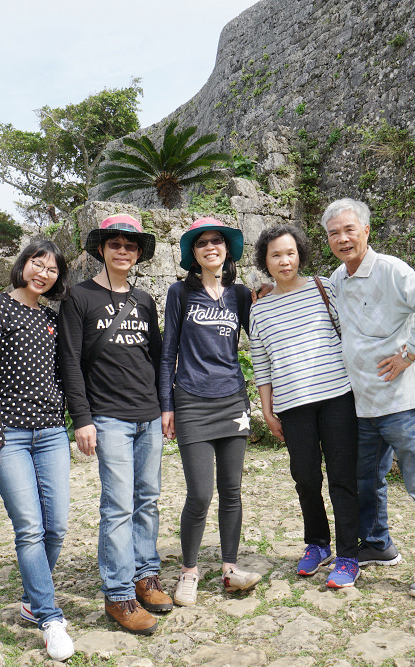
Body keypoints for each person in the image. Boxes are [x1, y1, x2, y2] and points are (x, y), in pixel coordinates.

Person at [321, 197, 415, 600]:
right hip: (362, 404)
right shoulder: (337, 279)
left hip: (403, 402)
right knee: (367, 482)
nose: (342, 239)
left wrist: (410, 352)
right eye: (334, 233)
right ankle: (378, 543)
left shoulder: (391, 269)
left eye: (349, 230)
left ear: (366, 230)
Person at [57, 214, 170, 635]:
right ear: (102, 250)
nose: (123, 251)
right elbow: (68, 361)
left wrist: (165, 407)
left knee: (148, 500)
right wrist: (82, 419)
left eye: (131, 245)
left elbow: (156, 357)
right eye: (115, 244)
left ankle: (146, 577)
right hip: (108, 417)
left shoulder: (144, 300)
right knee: (118, 506)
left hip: (148, 416)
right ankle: (119, 594)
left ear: (138, 253)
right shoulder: (79, 298)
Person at [0, 239, 75, 661]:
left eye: (52, 269)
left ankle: (33, 598)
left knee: (58, 527)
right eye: (38, 263)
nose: (44, 273)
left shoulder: (52, 318)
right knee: (30, 527)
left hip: (52, 433)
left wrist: (72, 418)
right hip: (10, 436)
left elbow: (64, 371)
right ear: (23, 265)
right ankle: (50, 618)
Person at [248, 224, 360, 589]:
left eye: (290, 253)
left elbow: (348, 332)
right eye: (276, 255)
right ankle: (317, 543)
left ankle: (347, 555)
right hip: (293, 406)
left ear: (301, 254)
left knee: (343, 477)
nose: (284, 261)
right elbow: (262, 365)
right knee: (306, 478)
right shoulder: (260, 310)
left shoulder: (323, 287)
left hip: (337, 397)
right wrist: (267, 410)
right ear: (265, 261)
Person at [160, 218, 262, 606]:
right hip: (191, 402)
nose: (210, 246)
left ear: (227, 249)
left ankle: (230, 568)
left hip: (233, 401)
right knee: (200, 494)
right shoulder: (179, 293)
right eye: (201, 243)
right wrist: (166, 404)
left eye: (216, 240)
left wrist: (268, 295)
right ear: (193, 253)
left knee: (231, 491)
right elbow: (168, 351)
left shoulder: (240, 296)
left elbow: (262, 336)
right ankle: (188, 571)